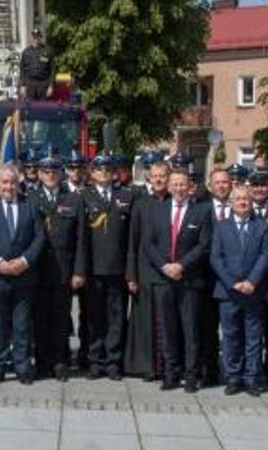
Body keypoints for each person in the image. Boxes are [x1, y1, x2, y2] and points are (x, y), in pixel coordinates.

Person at [0, 163, 47, 384]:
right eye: (4, 182)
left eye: (13, 182)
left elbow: (39, 237)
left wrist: (24, 261)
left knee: (21, 325)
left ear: (19, 183)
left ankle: (22, 366)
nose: (9, 187)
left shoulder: (29, 205)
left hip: (23, 276)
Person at [144, 166, 212, 392]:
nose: (179, 188)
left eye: (183, 184)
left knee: (190, 330)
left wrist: (181, 265)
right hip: (163, 278)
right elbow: (149, 244)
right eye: (175, 184)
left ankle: (191, 375)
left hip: (189, 279)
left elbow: (204, 245)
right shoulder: (157, 211)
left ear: (190, 186)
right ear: (169, 186)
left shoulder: (201, 211)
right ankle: (171, 373)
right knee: (168, 329)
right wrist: (165, 266)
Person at [75, 153, 133, 380]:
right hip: (93, 269)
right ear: (92, 172)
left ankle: (113, 361)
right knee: (93, 317)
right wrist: (80, 269)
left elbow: (130, 238)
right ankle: (95, 360)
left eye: (108, 170)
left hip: (118, 268)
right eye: (99, 170)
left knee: (116, 318)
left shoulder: (126, 196)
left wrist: (130, 271)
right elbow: (81, 237)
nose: (104, 173)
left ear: (114, 173)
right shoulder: (84, 197)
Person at [212, 187, 268, 396]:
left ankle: (252, 377)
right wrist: (232, 283)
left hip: (253, 291)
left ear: (251, 201)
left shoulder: (262, 226)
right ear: (231, 202)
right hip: (228, 292)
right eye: (238, 199)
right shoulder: (221, 227)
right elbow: (216, 258)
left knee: (254, 336)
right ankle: (233, 377)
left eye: (246, 198)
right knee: (231, 336)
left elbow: (266, 255)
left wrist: (252, 281)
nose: (242, 202)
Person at [29, 155, 80, 381]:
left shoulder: (72, 199)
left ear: (61, 174)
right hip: (37, 269)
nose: (50, 176)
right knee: (39, 318)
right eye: (46, 172)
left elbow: (80, 239)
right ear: (39, 174)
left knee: (61, 318)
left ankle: (60, 362)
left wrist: (79, 270)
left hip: (63, 269)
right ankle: (42, 362)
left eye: (54, 172)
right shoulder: (30, 198)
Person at [124, 156, 170, 380]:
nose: (159, 180)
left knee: (167, 321)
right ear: (149, 178)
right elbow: (132, 241)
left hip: (168, 272)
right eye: (155, 176)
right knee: (145, 322)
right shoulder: (141, 204)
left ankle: (167, 365)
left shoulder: (174, 202)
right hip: (144, 271)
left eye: (163, 176)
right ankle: (147, 366)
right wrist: (131, 275)